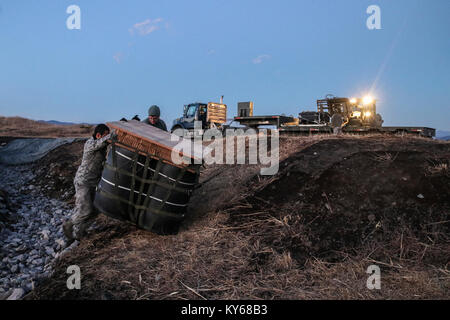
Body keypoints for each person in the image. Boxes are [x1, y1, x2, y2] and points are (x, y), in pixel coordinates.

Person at [63, 124, 115, 243]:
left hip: (93, 182)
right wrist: (115, 133)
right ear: (98, 135)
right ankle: (69, 224)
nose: (107, 137)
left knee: (96, 209)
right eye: (105, 135)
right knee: (85, 210)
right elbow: (101, 142)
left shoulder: (102, 146)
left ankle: (80, 231)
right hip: (83, 182)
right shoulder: (90, 143)